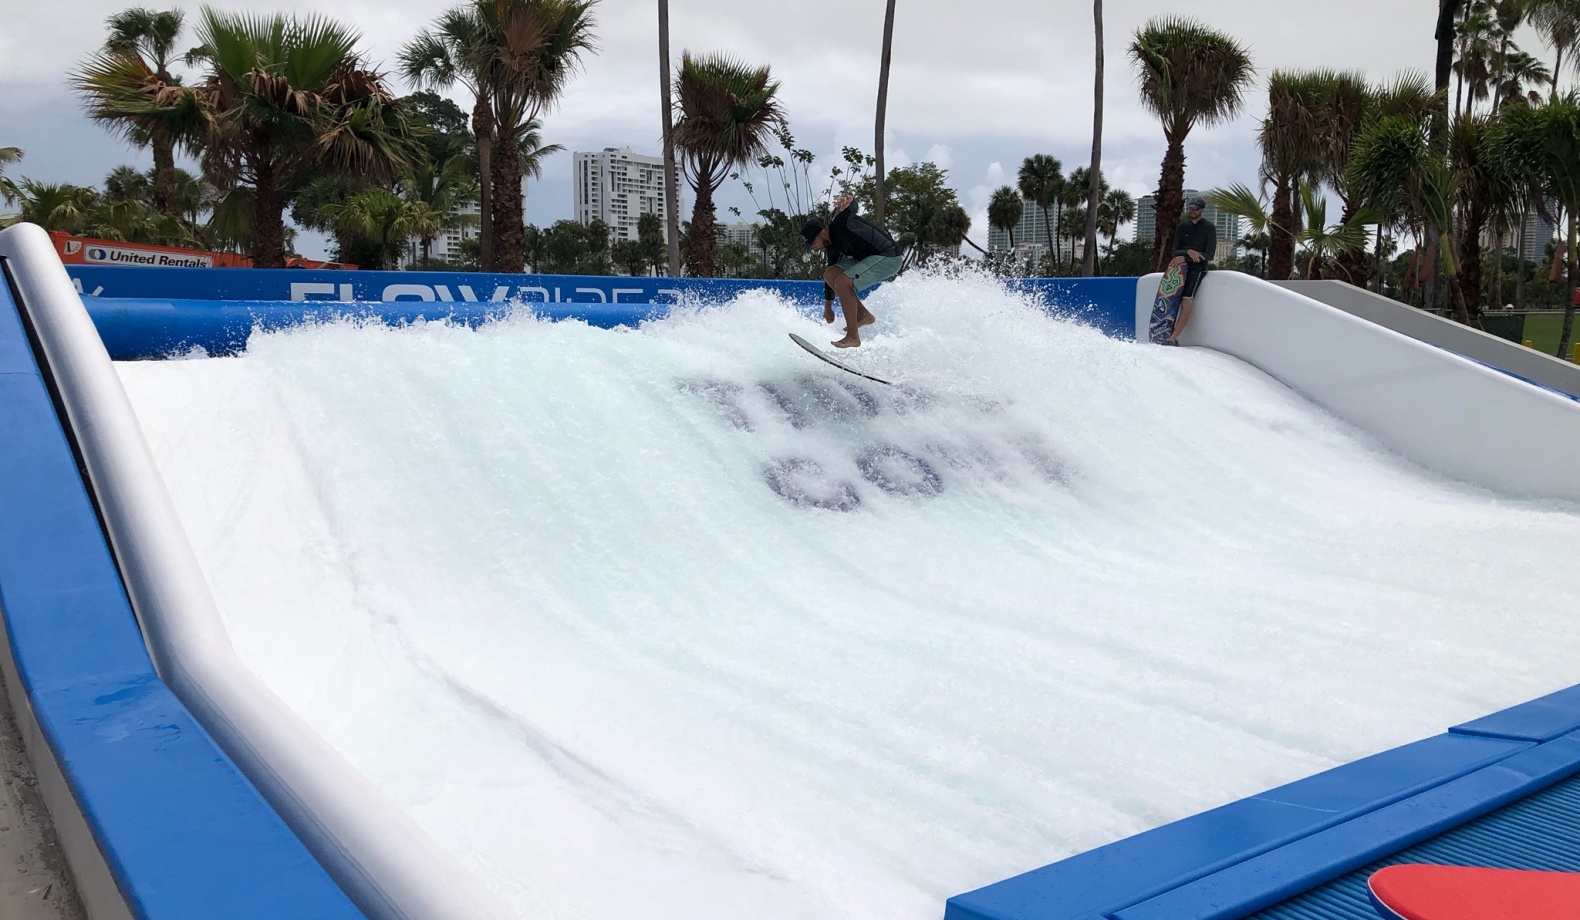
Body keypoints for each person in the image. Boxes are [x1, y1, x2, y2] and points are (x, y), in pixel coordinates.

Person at [800, 195, 903, 348]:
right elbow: (830, 278)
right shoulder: (832, 248)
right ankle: (863, 315)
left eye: (813, 243)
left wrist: (849, 201)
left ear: (823, 233)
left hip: (888, 257)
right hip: (869, 258)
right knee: (830, 273)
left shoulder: (841, 224)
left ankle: (853, 338)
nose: (814, 248)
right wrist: (828, 308)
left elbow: (852, 208)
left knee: (843, 282)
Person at [1165, 196, 1217, 346]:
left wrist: (1185, 257)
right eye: (1190, 208)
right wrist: (1188, 252)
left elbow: (1208, 255)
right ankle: (1163, 330)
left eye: (1195, 209)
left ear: (1202, 210)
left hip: (1197, 269)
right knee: (1171, 298)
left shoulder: (1209, 227)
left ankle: (1173, 337)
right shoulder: (1182, 227)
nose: (1192, 211)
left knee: (1186, 300)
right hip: (1179, 268)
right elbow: (1174, 251)